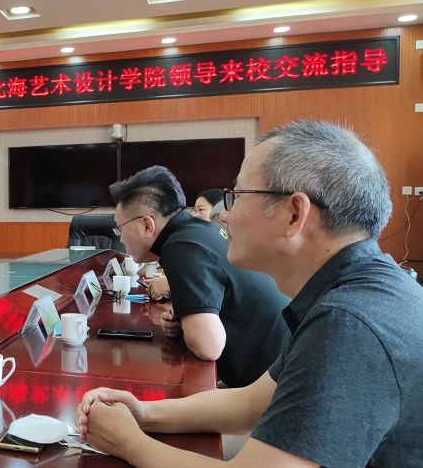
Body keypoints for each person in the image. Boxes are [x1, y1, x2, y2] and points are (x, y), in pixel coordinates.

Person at [76, 120, 423, 466]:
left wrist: (126, 441)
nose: (224, 216)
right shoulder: (355, 292)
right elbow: (250, 405)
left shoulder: (348, 323)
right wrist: (143, 413)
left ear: (295, 214)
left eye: (237, 197)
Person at [106, 166, 289, 387]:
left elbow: (208, 347)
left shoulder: (181, 247)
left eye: (119, 228)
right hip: (275, 371)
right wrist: (184, 320)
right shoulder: (198, 231)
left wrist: (193, 329)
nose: (120, 238)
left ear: (147, 225)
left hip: (274, 387)